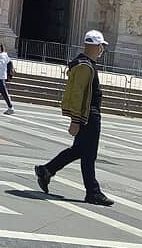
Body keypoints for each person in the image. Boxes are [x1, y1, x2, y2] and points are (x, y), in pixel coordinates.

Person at [34, 30, 114, 206]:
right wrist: (76, 120)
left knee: (79, 151)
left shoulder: (84, 64)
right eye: (101, 46)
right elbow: (78, 94)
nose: (102, 49)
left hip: (87, 114)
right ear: (96, 46)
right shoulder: (85, 66)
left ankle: (47, 170)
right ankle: (93, 192)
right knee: (89, 155)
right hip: (88, 115)